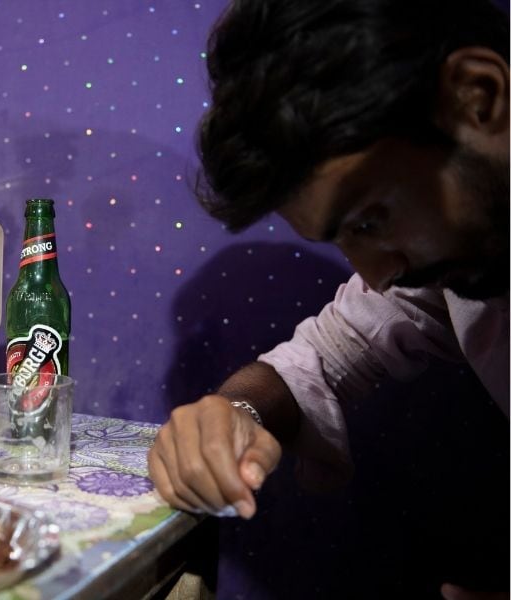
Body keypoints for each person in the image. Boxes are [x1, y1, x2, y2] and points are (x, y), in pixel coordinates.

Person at [147, 0, 509, 598]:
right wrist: (235, 412)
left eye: (370, 219)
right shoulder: (457, 260)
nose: (379, 273)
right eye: (342, 239)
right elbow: (331, 349)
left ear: (479, 96)